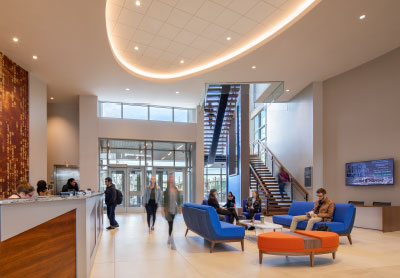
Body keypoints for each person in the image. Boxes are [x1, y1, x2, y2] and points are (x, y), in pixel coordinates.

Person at [162, 173, 181, 248]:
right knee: (170, 223)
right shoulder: (167, 190)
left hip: (174, 209)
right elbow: (164, 200)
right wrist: (163, 209)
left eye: (172, 177)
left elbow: (178, 199)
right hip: (168, 210)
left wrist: (179, 207)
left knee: (171, 224)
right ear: (168, 179)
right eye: (170, 177)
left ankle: (169, 237)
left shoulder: (176, 189)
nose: (171, 179)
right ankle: (171, 239)